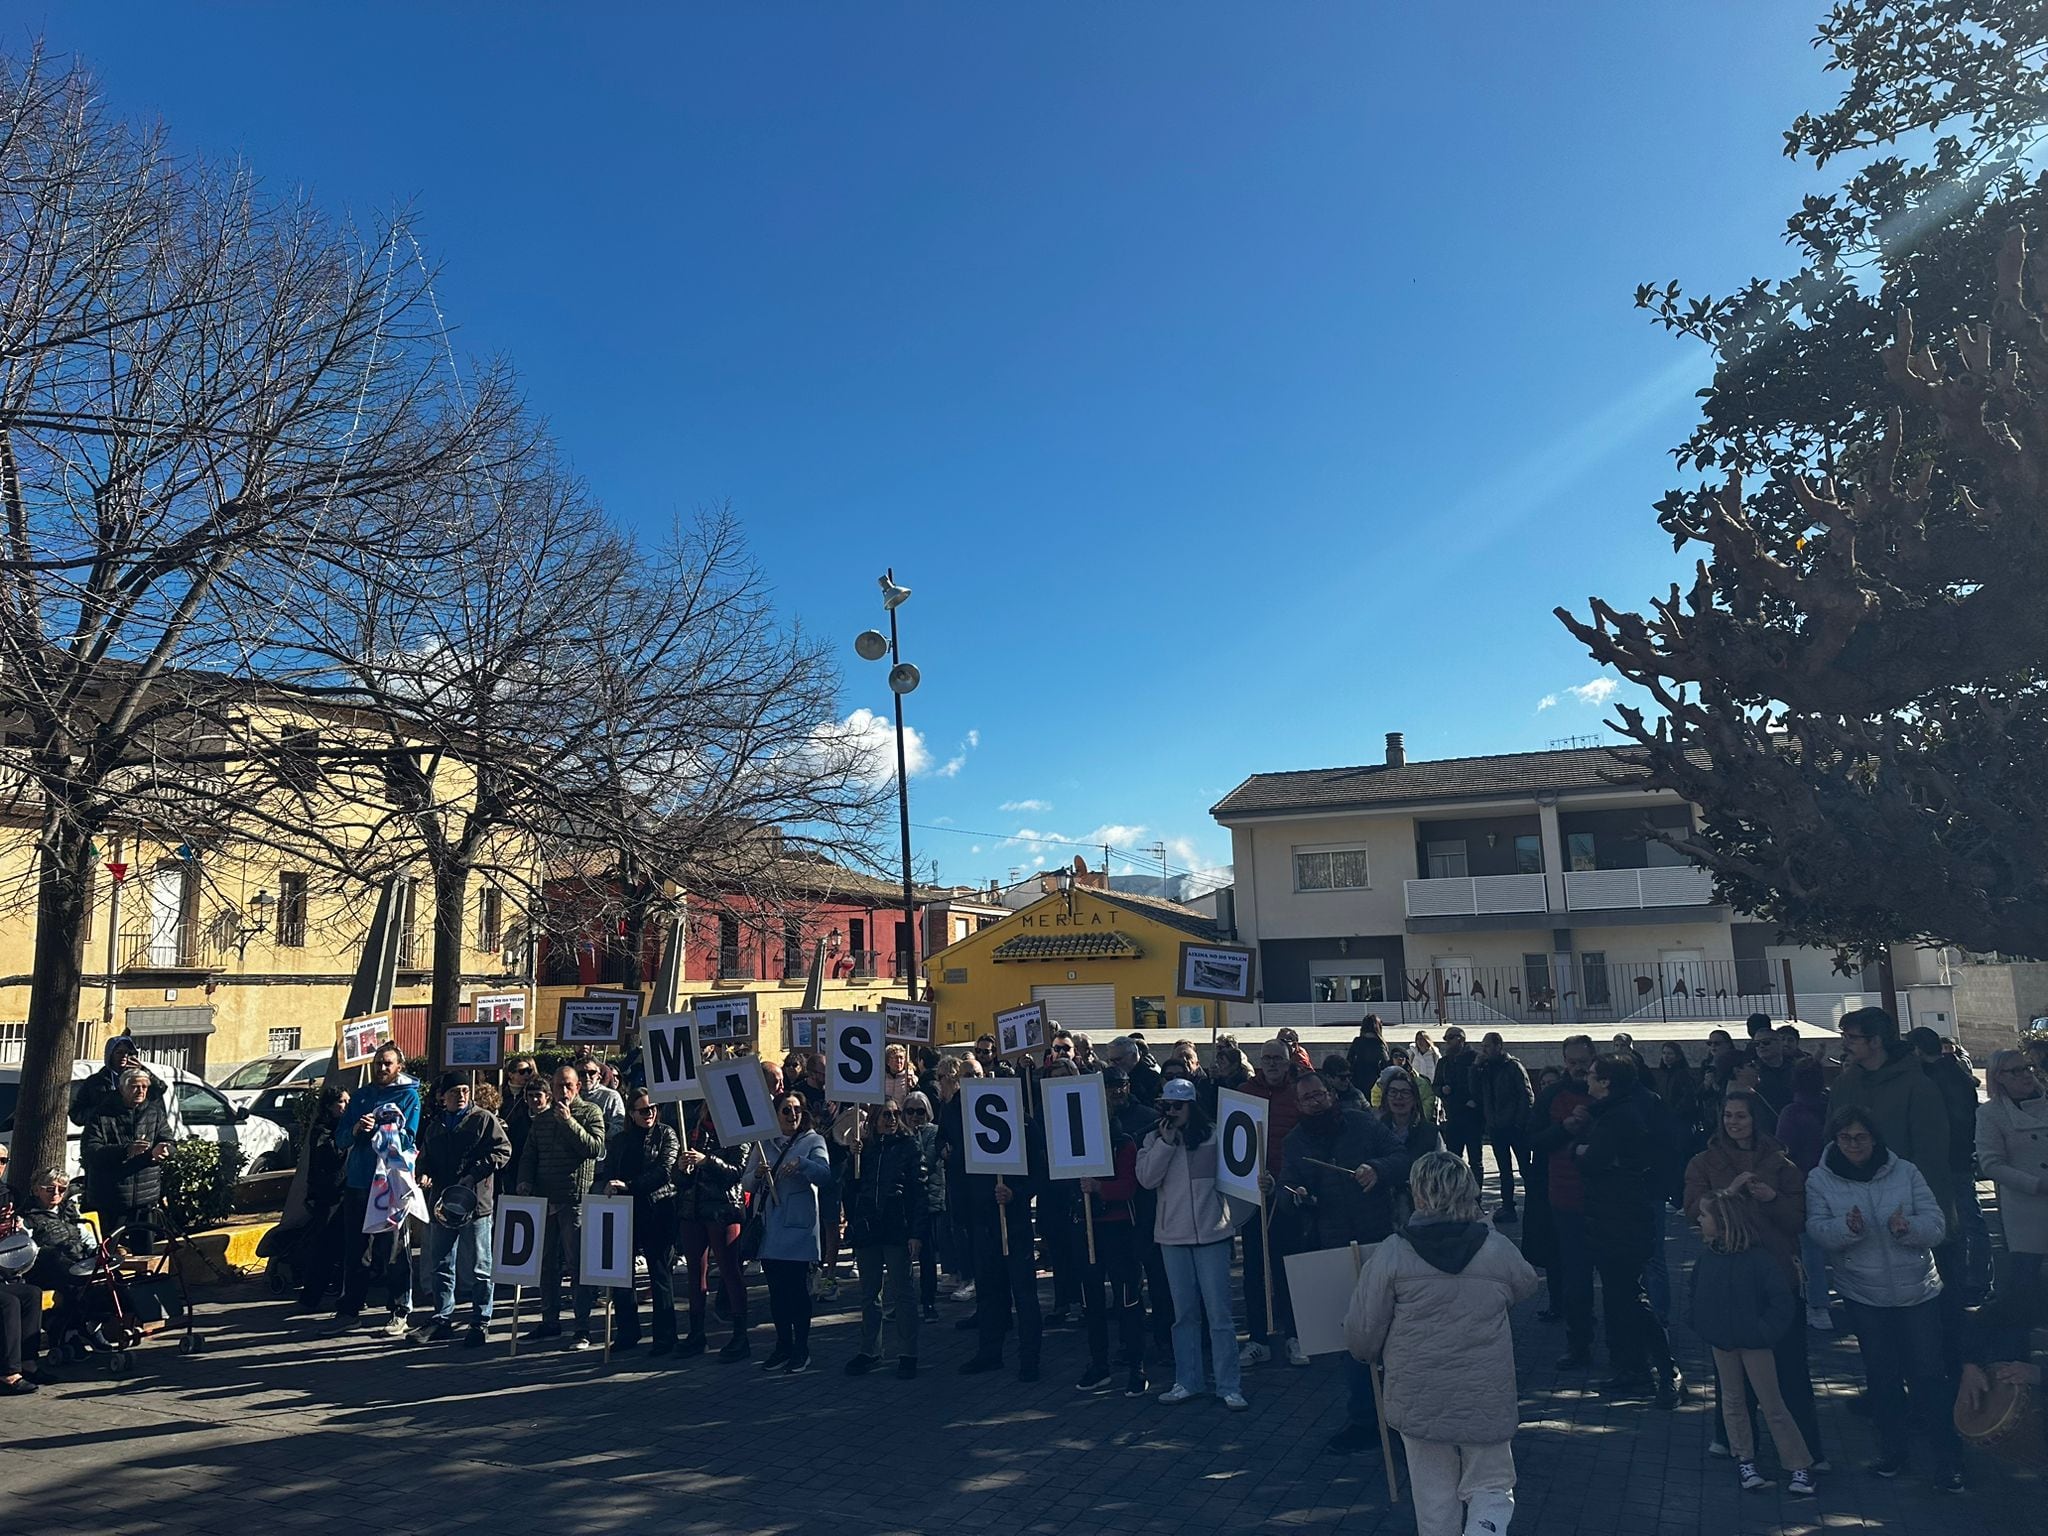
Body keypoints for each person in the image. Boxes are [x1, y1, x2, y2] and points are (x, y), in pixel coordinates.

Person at [1345, 1152, 1540, 1536]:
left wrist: (1367, 1353)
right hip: (1484, 1393)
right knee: (1491, 1485)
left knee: (1433, 1499)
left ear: (1417, 1194)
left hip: (1419, 1393)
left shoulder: (1393, 1253)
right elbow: (1526, 1285)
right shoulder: (1495, 1249)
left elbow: (1363, 1332)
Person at [1807, 1105, 1961, 1491]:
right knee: (1882, 1377)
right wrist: (1848, 1228)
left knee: (1929, 1375)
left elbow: (1937, 1225)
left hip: (1917, 1291)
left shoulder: (1906, 1171)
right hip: (1864, 1294)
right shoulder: (1819, 1180)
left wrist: (1907, 1228)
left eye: (1861, 1136)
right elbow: (1818, 1230)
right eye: (1845, 1137)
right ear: (1834, 1140)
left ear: (1874, 1138)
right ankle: (1893, 1452)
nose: (1853, 1144)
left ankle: (1949, 1459)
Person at [1681, 1089, 1824, 1468]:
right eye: (1727, 1116)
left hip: (1776, 1274)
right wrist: (1725, 1197)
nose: (1733, 1123)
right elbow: (1692, 1210)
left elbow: (1798, 1219)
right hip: (1730, 1279)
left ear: (1756, 1119)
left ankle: (1806, 1449)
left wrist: (1771, 1197)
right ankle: (1736, 1443)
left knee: (1791, 1369)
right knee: (1732, 1374)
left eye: (1741, 1116)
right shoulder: (1704, 1161)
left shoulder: (1781, 1163)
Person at [1283, 1070, 1415, 1452]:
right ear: (1299, 1105)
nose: (1316, 1102)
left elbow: (1401, 1157)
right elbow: (1288, 1191)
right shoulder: (1295, 1142)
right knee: (1352, 1338)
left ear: (1331, 1095)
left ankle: (1399, 1416)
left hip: (1378, 1239)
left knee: (1391, 1333)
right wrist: (1297, 1195)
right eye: (1308, 1099)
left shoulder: (1361, 1123)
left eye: (1321, 1095)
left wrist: (1378, 1169)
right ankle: (1362, 1418)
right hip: (1332, 1245)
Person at [1831, 1006, 1961, 1367]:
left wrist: (1931, 1221)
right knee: (1872, 1324)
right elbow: (1832, 1146)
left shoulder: (1917, 1085)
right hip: (1859, 1217)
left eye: (1852, 1037)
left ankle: (1933, 1397)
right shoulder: (1846, 1083)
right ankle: (1884, 1394)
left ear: (1876, 1041)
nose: (1845, 1043)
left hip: (1908, 1217)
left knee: (1926, 1324)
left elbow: (1931, 1157)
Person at [1689, 1193, 1817, 1497]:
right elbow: (1695, 1295)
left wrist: (1763, 1332)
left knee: (1773, 1403)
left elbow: (1781, 1302)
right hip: (1723, 1343)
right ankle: (1744, 1458)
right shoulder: (1707, 1258)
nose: (1699, 1220)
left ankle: (1799, 1465)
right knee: (1732, 1402)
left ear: (1722, 1223)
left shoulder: (1759, 1260)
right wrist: (1704, 1326)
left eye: (1704, 1216)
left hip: (1755, 1344)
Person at [1136, 1077, 1249, 1410]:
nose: (1171, 1111)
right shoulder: (1153, 1139)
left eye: (1178, 1105)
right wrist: (1165, 1143)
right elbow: (1146, 1180)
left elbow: (1238, 1173)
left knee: (1220, 1316)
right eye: (1166, 1105)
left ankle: (1229, 1385)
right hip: (1172, 1237)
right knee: (1183, 1314)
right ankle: (1187, 1380)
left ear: (1192, 1106)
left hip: (1213, 1234)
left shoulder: (1215, 1136)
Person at [1578, 1054, 1683, 1407]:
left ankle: (1667, 1370)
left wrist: (1582, 1152)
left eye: (1592, 1075)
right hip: (1614, 1218)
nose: (1587, 1080)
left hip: (1621, 1220)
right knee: (1618, 1298)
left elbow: (1591, 1161)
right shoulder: (1615, 1111)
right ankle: (1632, 1369)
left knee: (1631, 1297)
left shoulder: (1618, 1116)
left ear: (1606, 1082)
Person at [956, 1083, 1049, 1381]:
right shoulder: (971, 1126)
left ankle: (1029, 1358)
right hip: (983, 1223)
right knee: (988, 1292)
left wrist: (1016, 1194)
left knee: (1024, 1294)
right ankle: (989, 1353)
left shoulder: (1025, 1125)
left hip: (1016, 1223)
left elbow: (1040, 1175)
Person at [414, 1072, 512, 1346]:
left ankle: (480, 1321)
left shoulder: (482, 1119)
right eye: (455, 1091)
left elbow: (503, 1150)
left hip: (476, 1204)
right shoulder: (435, 1126)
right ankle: (442, 1318)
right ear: (441, 1096)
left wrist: (475, 1173)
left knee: (481, 1267)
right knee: (441, 1264)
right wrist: (423, 1173)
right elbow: (425, 1158)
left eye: (465, 1090)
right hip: (444, 1205)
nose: (461, 1095)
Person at [515, 1063, 608, 1348]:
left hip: (574, 1200)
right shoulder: (541, 1120)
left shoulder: (590, 1112)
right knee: (546, 1265)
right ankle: (549, 1321)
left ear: (578, 1087)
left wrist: (569, 1122)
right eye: (559, 1086)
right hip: (545, 1200)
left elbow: (595, 1148)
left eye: (569, 1085)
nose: (564, 1091)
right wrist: (524, 1181)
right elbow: (529, 1155)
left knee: (577, 1265)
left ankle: (582, 1327)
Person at [744, 1093, 831, 1374]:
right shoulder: (762, 1141)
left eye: (796, 1109)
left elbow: (825, 1175)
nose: (791, 1114)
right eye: (786, 1110)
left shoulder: (813, 1141)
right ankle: (782, 1345)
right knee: (777, 1293)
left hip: (798, 1228)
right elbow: (746, 1182)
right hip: (770, 1229)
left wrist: (804, 1165)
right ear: (776, 1113)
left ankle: (801, 1348)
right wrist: (758, 1174)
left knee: (797, 1292)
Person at [337, 1042, 421, 1333]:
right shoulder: (361, 1096)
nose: (382, 1068)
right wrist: (357, 1129)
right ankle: (350, 1309)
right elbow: (341, 1138)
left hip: (388, 1186)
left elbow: (409, 1138)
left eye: (388, 1063)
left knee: (392, 1251)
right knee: (355, 1251)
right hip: (358, 1182)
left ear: (399, 1067)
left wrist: (386, 1128)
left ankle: (399, 1310)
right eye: (378, 1063)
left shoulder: (409, 1096)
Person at [841, 1100, 927, 1379]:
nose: (891, 1119)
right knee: (869, 1293)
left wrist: (916, 1232)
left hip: (897, 1228)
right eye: (886, 1115)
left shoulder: (909, 1146)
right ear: (875, 1119)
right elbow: (850, 1188)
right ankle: (870, 1349)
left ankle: (908, 1352)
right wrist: (851, 1158)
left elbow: (920, 1191)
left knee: (903, 1292)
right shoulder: (865, 1149)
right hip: (868, 1228)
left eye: (895, 1114)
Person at [1075, 1076, 1149, 1398]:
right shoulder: (1076, 1147)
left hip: (1120, 1231)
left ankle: (1137, 1367)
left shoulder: (1124, 1143)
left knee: (1128, 1300)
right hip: (1089, 1228)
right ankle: (1099, 1364)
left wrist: (1099, 1188)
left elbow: (1129, 1186)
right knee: (1091, 1302)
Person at [1238, 1037, 1306, 1367]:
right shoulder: (1244, 1092)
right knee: (1253, 1270)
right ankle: (1257, 1339)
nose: (1272, 1064)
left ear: (1288, 1060)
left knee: (1288, 1268)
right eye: (1267, 1058)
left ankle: (1294, 1335)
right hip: (1253, 1193)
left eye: (1278, 1058)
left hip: (1287, 1194)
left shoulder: (1298, 1093)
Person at [1530, 1035, 1597, 1362]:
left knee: (1618, 1278)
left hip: (1605, 1200)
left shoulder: (1605, 1091)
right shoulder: (1551, 1096)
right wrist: (1565, 1129)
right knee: (1576, 1277)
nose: (1577, 1069)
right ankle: (1579, 1343)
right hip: (1565, 1197)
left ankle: (1628, 1349)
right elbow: (1534, 1139)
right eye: (1571, 1062)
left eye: (1583, 1062)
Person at [1910, 1026, 1990, 1302]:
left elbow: (1950, 1122)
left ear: (1918, 1050)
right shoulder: (1958, 1075)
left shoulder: (1933, 1080)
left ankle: (1969, 1278)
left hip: (1947, 1158)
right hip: (1961, 1155)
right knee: (1968, 1218)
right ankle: (1978, 1277)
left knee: (1959, 1221)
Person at [602, 1087, 679, 1354]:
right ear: (632, 1113)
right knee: (622, 1276)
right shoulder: (622, 1140)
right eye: (644, 1110)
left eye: (653, 1108)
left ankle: (665, 1336)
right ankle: (627, 1331)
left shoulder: (666, 1133)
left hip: (658, 1208)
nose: (650, 1114)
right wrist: (610, 1186)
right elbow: (610, 1169)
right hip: (626, 1211)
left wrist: (630, 1185)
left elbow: (665, 1171)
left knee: (659, 1273)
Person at [1976, 1049, 2048, 1321]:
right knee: (2023, 1290)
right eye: (2015, 1071)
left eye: (2026, 1067)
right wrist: (2036, 1185)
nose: (2024, 1075)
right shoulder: (1990, 1114)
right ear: (1999, 1077)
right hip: (2025, 1212)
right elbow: (1991, 1164)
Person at [675, 1101, 749, 1359]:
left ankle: (741, 1336)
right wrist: (682, 1169)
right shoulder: (694, 1128)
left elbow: (737, 1171)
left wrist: (707, 1161)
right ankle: (696, 1334)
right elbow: (681, 1179)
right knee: (695, 1274)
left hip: (722, 1209)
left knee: (730, 1272)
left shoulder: (738, 1130)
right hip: (693, 1209)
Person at [81, 1065, 173, 1248]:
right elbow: (91, 1152)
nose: (140, 1091)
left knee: (145, 1251)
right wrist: (126, 1150)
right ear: (122, 1089)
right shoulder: (101, 1114)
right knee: (110, 1251)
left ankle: (146, 1277)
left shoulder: (154, 1112)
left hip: (145, 1196)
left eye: (144, 1087)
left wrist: (165, 1150)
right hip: (112, 1196)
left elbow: (168, 1140)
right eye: (135, 1087)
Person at [1772, 1057, 1832, 1330]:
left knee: (1811, 1249)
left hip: (1804, 1183)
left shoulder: (1792, 1113)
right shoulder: (1831, 1106)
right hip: (1834, 1181)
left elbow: (1784, 1152)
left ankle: (1818, 1305)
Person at [293, 1084, 352, 1312]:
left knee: (347, 1248)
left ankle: (343, 1291)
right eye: (341, 1102)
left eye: (348, 1101)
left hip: (346, 1192)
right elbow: (332, 1155)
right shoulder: (323, 1130)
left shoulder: (343, 1126)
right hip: (328, 1196)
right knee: (325, 1247)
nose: (345, 1106)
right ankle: (311, 1296)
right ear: (329, 1106)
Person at [0, 1183, 52, 1395]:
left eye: (4, 1160)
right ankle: (7, 1373)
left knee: (31, 1293)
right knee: (8, 1302)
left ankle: (28, 1362)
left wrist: (13, 1232)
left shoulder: (6, 1192)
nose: (0, 1165)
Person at [1475, 1033, 1532, 1223]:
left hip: (1514, 1126)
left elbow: (1526, 1095)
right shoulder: (1485, 1068)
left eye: (1487, 1046)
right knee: (1504, 1170)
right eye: (1483, 1047)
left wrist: (1519, 1122)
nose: (1484, 1050)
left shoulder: (1513, 1067)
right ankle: (1508, 1206)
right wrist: (1475, 1067)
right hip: (1496, 1127)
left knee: (1525, 1167)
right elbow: (1475, 1090)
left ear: (1498, 1046)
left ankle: (1534, 1201)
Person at [903, 1091, 945, 1320]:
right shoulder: (898, 1134)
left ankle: (928, 1301)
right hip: (903, 1203)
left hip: (927, 1201)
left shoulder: (933, 1133)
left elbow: (926, 1161)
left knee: (927, 1256)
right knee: (901, 1255)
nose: (915, 1116)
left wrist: (915, 1137)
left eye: (920, 1111)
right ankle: (903, 1300)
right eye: (910, 1111)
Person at [70, 1035, 164, 1126]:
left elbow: (160, 1089)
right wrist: (101, 1113)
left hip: (135, 1134)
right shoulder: (95, 1082)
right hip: (106, 1135)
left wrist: (143, 1070)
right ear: (110, 1055)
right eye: (119, 1052)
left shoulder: (140, 1079)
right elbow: (77, 1115)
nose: (124, 1056)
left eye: (128, 1053)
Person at [1436, 1027, 1484, 1188]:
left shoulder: (1476, 1059)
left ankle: (1476, 1198)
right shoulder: (1444, 1062)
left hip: (1472, 1117)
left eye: (1450, 1038)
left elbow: (1485, 1086)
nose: (1447, 1042)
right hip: (1453, 1116)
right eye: (1446, 1039)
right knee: (1453, 1160)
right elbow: (1435, 1085)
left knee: (1475, 1161)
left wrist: (1475, 1101)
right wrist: (1442, 1090)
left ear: (1460, 1039)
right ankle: (1456, 1195)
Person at [574, 1049, 626, 1139]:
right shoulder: (570, 1095)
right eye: (581, 1074)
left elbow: (621, 1128)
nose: (587, 1077)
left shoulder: (611, 1096)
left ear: (599, 1075)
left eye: (591, 1073)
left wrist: (598, 1125)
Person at [1346, 1015, 1389, 1089]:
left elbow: (1349, 1061)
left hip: (1357, 1082)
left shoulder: (1357, 1042)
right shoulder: (1378, 1044)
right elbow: (1386, 1064)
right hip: (1374, 1083)